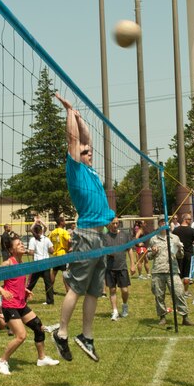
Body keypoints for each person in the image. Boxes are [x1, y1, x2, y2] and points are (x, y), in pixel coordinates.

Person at [52, 92, 115, 363]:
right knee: (76, 289)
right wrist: (68, 112)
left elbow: (86, 139)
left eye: (89, 152)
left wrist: (80, 117)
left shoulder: (90, 169)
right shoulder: (75, 168)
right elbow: (75, 140)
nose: (89, 152)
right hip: (87, 235)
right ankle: (62, 333)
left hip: (99, 236)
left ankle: (86, 336)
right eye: (85, 152)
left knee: (94, 290)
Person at [0, 233, 59, 375]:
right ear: (12, 250)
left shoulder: (22, 263)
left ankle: (41, 358)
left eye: (22, 243)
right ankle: (2, 361)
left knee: (38, 327)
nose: (22, 245)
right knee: (21, 336)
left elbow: (15, 282)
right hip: (10, 305)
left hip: (21, 304)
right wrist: (2, 291)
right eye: (18, 245)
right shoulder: (8, 263)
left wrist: (25, 289)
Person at [148, 217, 194, 326]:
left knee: (179, 293)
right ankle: (162, 316)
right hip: (158, 271)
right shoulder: (154, 239)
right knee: (159, 295)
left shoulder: (175, 238)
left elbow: (180, 255)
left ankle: (185, 317)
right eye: (161, 222)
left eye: (165, 221)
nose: (164, 223)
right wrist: (153, 252)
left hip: (172, 270)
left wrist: (179, 249)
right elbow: (149, 256)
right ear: (159, 224)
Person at [104, 216, 136, 320]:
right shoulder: (105, 236)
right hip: (110, 268)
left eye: (117, 223)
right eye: (113, 223)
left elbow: (130, 250)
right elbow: (101, 251)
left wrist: (132, 264)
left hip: (122, 267)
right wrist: (108, 253)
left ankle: (125, 305)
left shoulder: (124, 235)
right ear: (109, 224)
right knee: (112, 290)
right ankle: (115, 311)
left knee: (125, 290)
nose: (115, 225)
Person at [27, 224, 54, 305]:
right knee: (48, 283)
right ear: (41, 230)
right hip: (46, 263)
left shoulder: (32, 240)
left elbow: (31, 252)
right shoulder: (47, 239)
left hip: (37, 263)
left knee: (31, 283)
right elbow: (52, 251)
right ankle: (50, 300)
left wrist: (26, 251)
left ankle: (23, 298)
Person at [172, 213, 194, 297]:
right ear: (185, 219)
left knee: (178, 274)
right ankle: (186, 292)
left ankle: (178, 291)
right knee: (187, 275)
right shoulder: (191, 230)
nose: (191, 221)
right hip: (188, 254)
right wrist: (192, 241)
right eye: (190, 219)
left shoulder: (176, 230)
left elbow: (172, 240)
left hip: (178, 254)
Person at [49, 216, 71, 293]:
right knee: (65, 273)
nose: (65, 223)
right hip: (63, 254)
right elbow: (69, 240)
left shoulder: (52, 232)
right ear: (61, 222)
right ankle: (68, 291)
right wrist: (68, 249)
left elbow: (49, 243)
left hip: (55, 255)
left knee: (54, 272)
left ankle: (50, 290)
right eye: (64, 221)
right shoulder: (64, 232)